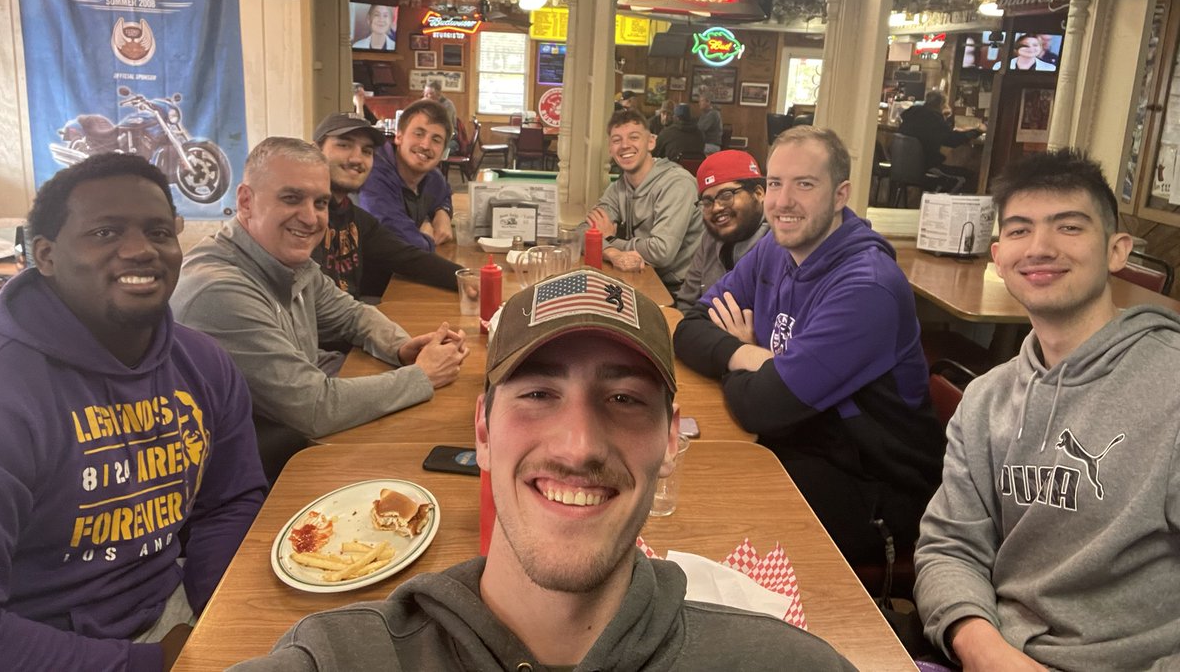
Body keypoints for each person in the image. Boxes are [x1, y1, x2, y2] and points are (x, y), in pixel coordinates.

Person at [228, 269, 857, 671]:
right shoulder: (339, 660)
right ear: (483, 431)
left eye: (624, 399)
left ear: (671, 440)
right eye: (537, 394)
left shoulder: (781, 661)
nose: (579, 445)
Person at [0, 153, 266, 670]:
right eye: (105, 233)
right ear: (44, 255)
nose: (141, 251)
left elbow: (230, 500)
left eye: (159, 231)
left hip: (174, 609)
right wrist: (154, 663)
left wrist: (218, 618)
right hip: (39, 647)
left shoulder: (202, 364)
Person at [915, 149, 1180, 671]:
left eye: (1069, 226)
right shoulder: (987, 398)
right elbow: (949, 548)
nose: (1039, 247)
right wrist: (984, 650)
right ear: (998, 254)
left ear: (1116, 250)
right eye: (1018, 230)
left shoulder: (1171, 388)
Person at [674, 127, 942, 564]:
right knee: (684, 485)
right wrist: (750, 355)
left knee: (705, 521)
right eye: (776, 183)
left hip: (871, 489)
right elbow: (690, 328)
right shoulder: (774, 251)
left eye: (805, 184)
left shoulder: (867, 287)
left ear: (840, 195)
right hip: (796, 445)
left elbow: (761, 408)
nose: (783, 201)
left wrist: (748, 371)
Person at [170, 138, 467, 480]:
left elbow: (353, 314)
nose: (311, 218)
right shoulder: (219, 291)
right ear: (245, 201)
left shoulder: (288, 261)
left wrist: (401, 347)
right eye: (291, 198)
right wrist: (421, 376)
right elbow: (313, 408)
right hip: (236, 483)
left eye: (320, 202)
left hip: (285, 444)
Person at [311, 112, 461, 299]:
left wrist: (470, 279)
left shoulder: (355, 218)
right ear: (315, 151)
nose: (357, 159)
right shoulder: (302, 219)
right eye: (344, 145)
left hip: (351, 318)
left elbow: (407, 257)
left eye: (367, 151)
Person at [586, 108, 703, 299]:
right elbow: (583, 230)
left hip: (681, 292)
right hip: (642, 280)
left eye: (633, 137)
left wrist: (610, 239)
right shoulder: (618, 188)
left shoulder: (677, 183)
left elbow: (661, 252)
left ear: (651, 142)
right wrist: (613, 254)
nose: (624, 145)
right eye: (617, 140)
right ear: (610, 149)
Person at [675, 150, 770, 312]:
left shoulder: (779, 246)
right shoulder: (711, 238)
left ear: (758, 193)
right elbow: (687, 302)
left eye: (726, 195)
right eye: (708, 201)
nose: (717, 207)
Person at [358, 98, 454, 251]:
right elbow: (397, 238)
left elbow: (444, 193)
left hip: (402, 269)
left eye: (436, 140)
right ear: (399, 136)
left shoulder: (432, 176)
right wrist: (427, 239)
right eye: (418, 133)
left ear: (442, 152)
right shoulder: (374, 172)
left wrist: (443, 212)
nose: (425, 145)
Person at [897, 89, 984, 193]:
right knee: (968, 177)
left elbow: (936, 133)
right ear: (942, 104)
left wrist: (943, 117)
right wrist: (977, 131)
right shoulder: (933, 118)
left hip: (902, 167)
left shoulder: (912, 112)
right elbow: (952, 140)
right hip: (925, 167)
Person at [422, 79, 457, 149]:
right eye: (424, 93)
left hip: (448, 138)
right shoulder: (425, 104)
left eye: (429, 94)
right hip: (431, 135)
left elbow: (443, 125)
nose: (426, 96)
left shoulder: (447, 105)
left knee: (431, 148)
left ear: (438, 94)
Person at [696, 88, 723, 155]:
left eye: (701, 101)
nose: (699, 103)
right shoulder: (705, 114)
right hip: (708, 144)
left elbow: (700, 129)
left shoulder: (713, 114)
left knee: (689, 148)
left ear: (708, 102)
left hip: (712, 146)